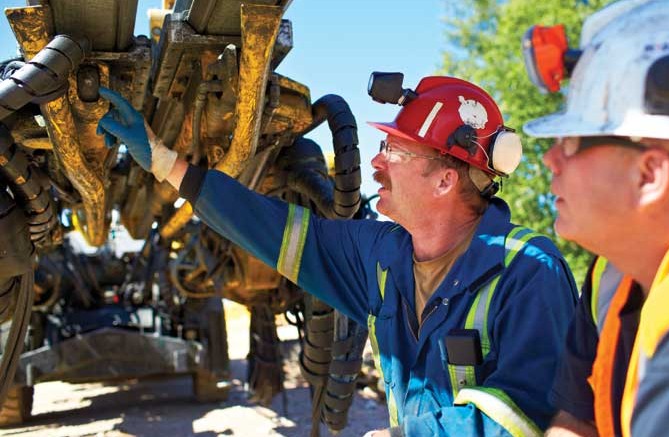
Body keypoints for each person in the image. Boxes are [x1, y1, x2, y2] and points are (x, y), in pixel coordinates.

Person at [97, 75, 577, 436]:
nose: (375, 161)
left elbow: (527, 416)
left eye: (395, 150)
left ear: (445, 179)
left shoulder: (528, 270)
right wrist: (164, 161)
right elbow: (271, 229)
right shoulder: (383, 256)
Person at [522, 1, 669, 436]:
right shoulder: (616, 278)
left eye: (571, 141)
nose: (549, 158)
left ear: (649, 174)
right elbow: (578, 423)